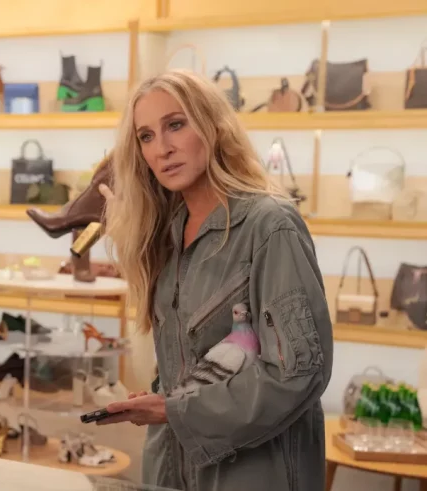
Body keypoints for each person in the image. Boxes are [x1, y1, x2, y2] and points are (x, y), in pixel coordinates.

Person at [96, 70, 333, 491]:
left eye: (175, 125)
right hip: (174, 467)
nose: (162, 149)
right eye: (146, 136)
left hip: (258, 473)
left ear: (212, 125)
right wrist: (159, 402)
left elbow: (298, 373)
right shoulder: (169, 233)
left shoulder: (269, 226)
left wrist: (176, 409)